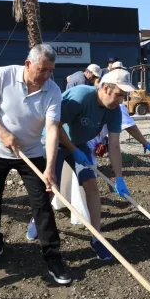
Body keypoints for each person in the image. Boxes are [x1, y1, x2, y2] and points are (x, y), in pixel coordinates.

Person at [0, 44, 71, 285]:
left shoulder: (53, 91)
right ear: (28, 64)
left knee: (41, 202)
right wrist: (2, 132)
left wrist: (50, 167)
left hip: (31, 151)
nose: (47, 76)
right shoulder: (4, 74)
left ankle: (52, 256)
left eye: (51, 71)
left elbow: (51, 129)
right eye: (43, 70)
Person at [52, 69, 135, 261]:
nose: (121, 101)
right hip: (55, 141)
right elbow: (55, 125)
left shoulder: (114, 111)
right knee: (50, 187)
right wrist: (73, 150)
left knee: (91, 186)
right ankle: (35, 220)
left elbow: (114, 145)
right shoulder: (81, 96)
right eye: (119, 95)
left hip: (79, 144)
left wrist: (119, 178)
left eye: (124, 96)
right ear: (105, 88)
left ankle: (97, 239)